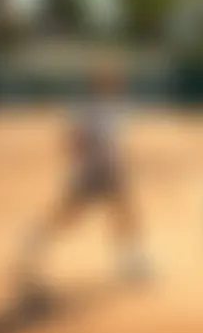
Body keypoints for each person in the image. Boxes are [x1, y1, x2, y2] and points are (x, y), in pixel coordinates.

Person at [16, 62, 151, 305]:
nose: (118, 86)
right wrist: (88, 158)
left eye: (117, 82)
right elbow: (72, 140)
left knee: (126, 213)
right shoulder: (87, 111)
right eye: (112, 82)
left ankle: (131, 260)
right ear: (100, 86)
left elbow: (112, 143)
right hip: (91, 174)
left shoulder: (113, 109)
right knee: (67, 217)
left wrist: (119, 160)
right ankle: (32, 242)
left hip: (109, 173)